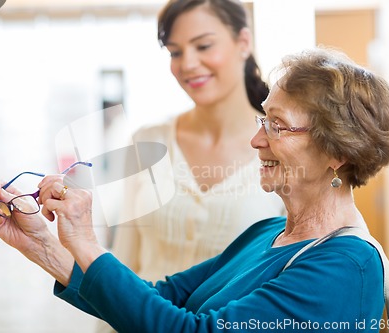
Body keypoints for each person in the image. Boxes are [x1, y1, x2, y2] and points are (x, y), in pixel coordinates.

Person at [0, 47, 389, 332]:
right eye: (263, 120)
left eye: (277, 125)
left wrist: (86, 241)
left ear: (338, 153)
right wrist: (44, 246)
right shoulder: (265, 233)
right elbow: (161, 301)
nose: (258, 141)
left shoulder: (347, 267)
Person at [110, 0, 285, 289]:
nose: (188, 64)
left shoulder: (284, 148)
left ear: (243, 42)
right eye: (175, 52)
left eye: (203, 46)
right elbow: (123, 263)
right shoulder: (146, 142)